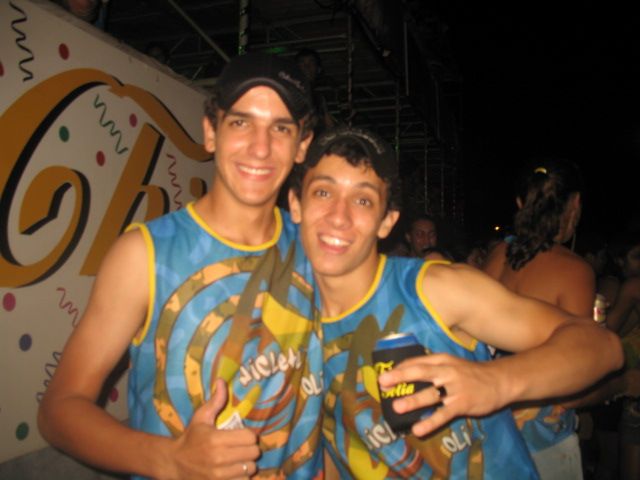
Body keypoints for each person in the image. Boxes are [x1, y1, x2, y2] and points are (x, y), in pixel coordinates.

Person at [38, 52, 323, 479]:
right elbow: (58, 410)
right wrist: (170, 459)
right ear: (210, 132)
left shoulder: (319, 252)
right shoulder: (144, 255)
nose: (260, 148)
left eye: (280, 128)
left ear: (302, 145)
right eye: (241, 123)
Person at [287, 127, 623, 479]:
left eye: (363, 200)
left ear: (387, 221)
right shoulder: (286, 319)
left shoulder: (433, 289)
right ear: (296, 204)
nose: (338, 216)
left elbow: (602, 347)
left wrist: (497, 380)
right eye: (323, 192)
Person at [483, 158, 596, 479]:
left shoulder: (497, 255)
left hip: (491, 431)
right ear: (575, 204)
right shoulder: (575, 271)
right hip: (541, 442)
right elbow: (576, 377)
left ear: (521, 204)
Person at [295, 48, 336, 134]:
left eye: (311, 63)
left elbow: (331, 127)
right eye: (302, 63)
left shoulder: (320, 98)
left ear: (318, 69)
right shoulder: (287, 93)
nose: (307, 67)